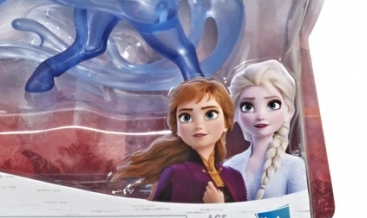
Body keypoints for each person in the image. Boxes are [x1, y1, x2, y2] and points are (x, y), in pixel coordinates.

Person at [112, 78, 246, 203]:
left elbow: (247, 217)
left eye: (210, 114)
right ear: (176, 128)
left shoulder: (234, 176)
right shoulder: (176, 174)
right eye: (186, 117)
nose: (198, 125)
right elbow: (163, 217)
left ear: (226, 122)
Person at [224, 59, 307, 200]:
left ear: (288, 111)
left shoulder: (293, 166)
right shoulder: (230, 166)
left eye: (272, 105)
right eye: (248, 107)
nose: (261, 116)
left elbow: (299, 210)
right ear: (235, 114)